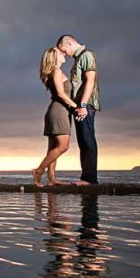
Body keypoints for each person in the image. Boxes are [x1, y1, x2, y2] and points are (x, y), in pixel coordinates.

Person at [56, 34, 101, 185]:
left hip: (85, 105)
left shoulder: (86, 55)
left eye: (64, 50)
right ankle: (86, 178)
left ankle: (89, 179)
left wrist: (82, 105)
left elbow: (90, 81)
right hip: (80, 106)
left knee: (87, 139)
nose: (65, 54)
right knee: (83, 141)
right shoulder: (78, 59)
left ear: (69, 43)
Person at [32, 47, 80, 187]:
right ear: (54, 57)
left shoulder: (55, 72)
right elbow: (60, 93)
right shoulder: (56, 71)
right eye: (60, 52)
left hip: (57, 111)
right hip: (59, 112)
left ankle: (52, 178)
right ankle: (38, 171)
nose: (64, 53)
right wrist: (75, 107)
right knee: (63, 146)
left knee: (53, 147)